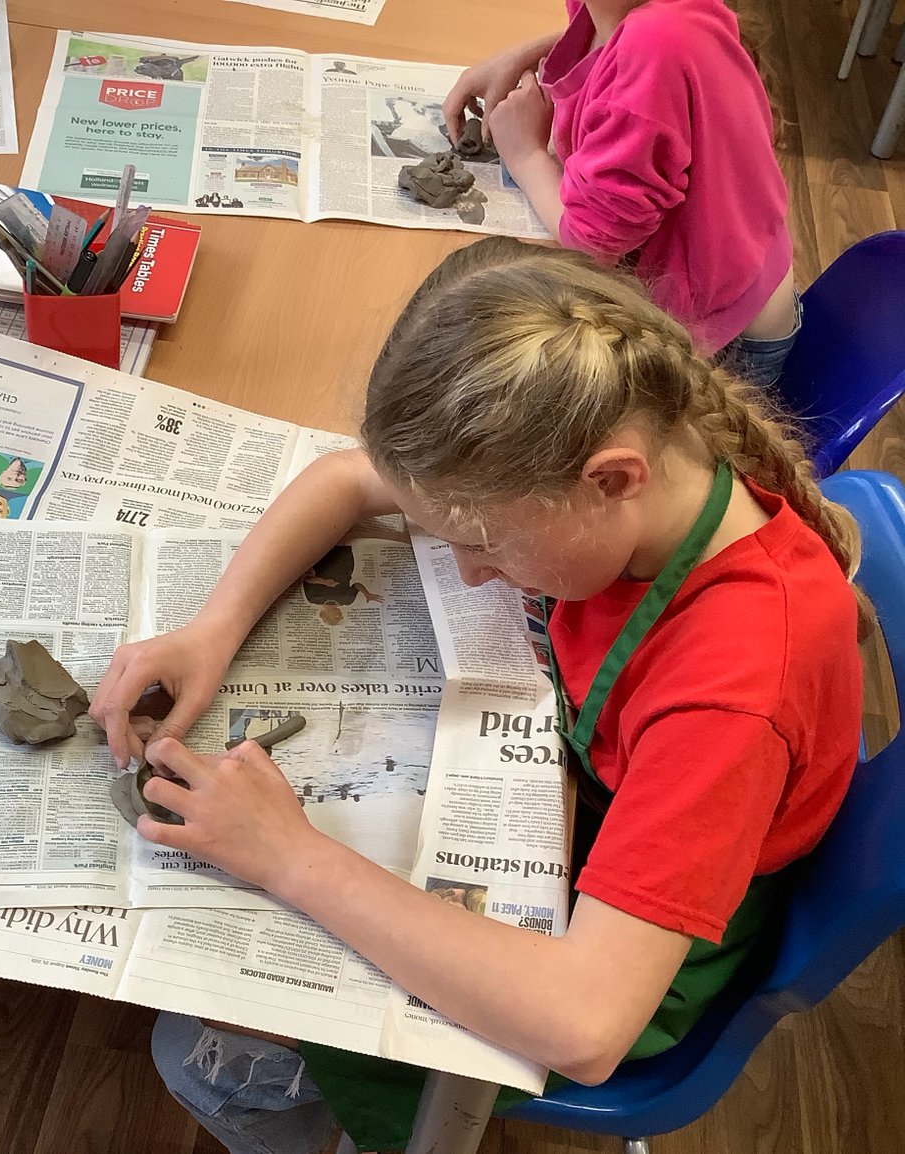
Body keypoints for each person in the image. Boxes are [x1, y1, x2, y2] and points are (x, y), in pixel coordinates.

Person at [89, 239, 865, 1153]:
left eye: (488, 544)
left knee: (201, 1054)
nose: (469, 570)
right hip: (608, 804)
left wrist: (288, 856)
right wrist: (208, 633)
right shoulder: (660, 446)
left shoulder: (731, 696)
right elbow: (345, 478)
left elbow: (586, 1024)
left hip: (638, 958)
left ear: (611, 482)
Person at [443, 1, 797, 385]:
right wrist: (534, 52)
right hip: (734, 292)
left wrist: (525, 155)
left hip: (727, 347)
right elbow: (620, 47)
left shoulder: (656, 44)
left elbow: (591, 244)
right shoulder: (638, 20)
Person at [301, 544, 384, 626]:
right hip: (345, 564)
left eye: (337, 617)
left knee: (325, 541)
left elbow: (307, 579)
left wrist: (325, 582)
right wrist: (367, 594)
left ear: (325, 615)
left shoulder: (313, 599)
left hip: (324, 563)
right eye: (341, 617)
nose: (340, 614)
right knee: (344, 540)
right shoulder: (347, 601)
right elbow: (356, 585)